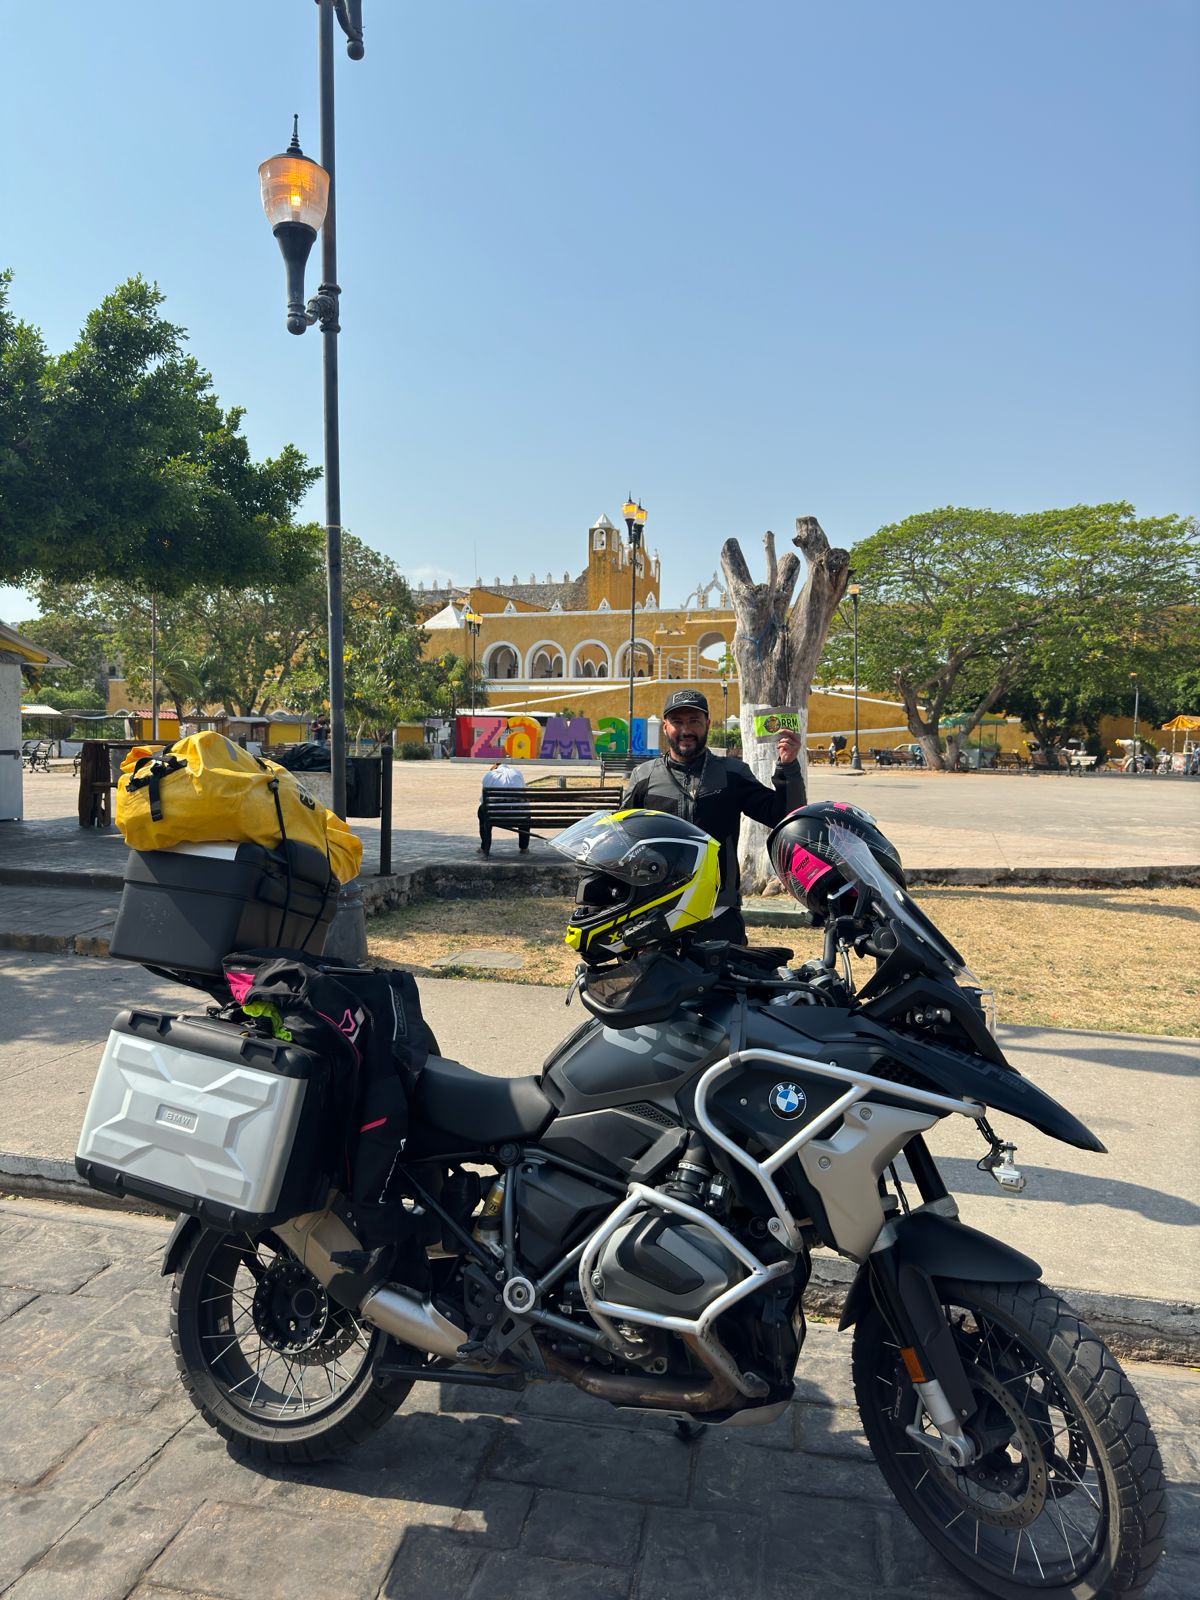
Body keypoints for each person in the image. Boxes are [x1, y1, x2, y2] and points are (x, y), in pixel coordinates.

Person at [619, 689, 806, 944]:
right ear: (665, 727)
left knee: (724, 983)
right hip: (657, 909)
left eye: (694, 721)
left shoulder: (732, 773)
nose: (686, 730)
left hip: (718, 910)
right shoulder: (645, 777)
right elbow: (621, 839)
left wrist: (788, 767)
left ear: (707, 724)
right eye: (677, 722)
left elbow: (782, 815)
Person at [478, 760, 529, 855]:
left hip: (494, 816)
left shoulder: (490, 775)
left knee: (482, 811)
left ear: (496, 766)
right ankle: (524, 847)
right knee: (525, 812)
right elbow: (523, 794)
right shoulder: (517, 773)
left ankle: (484, 847)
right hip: (518, 815)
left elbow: (483, 800)